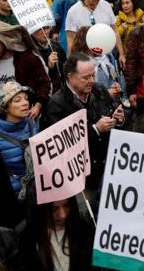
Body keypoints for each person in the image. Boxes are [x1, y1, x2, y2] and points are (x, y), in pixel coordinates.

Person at [43, 53, 125, 190]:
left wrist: (120, 118)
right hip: (82, 178)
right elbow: (61, 145)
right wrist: (95, 130)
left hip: (109, 168)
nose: (92, 80)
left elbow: (115, 110)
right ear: (70, 76)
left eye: (93, 75)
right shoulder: (57, 104)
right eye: (86, 77)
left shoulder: (99, 90)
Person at [20, 196, 101, 271]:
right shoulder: (30, 239)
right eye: (54, 209)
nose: (62, 215)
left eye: (66, 205)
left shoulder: (85, 233)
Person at [0, 34, 50, 120]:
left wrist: (38, 105)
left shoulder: (27, 59)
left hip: (29, 117)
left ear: (5, 43)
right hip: (4, 120)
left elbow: (44, 83)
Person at [0, 81, 34, 198]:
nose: (25, 103)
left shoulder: (33, 123)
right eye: (17, 100)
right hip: (15, 198)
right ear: (5, 108)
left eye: (26, 98)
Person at [64, 0, 126, 67]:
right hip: (86, 61)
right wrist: (71, 65)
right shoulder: (73, 12)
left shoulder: (106, 5)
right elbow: (71, 41)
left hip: (107, 59)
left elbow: (114, 31)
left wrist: (121, 54)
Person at [28, 23, 67, 94]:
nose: (47, 31)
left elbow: (65, 68)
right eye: (42, 28)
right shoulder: (29, 52)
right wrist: (49, 66)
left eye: (47, 27)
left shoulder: (55, 46)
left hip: (60, 92)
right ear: (32, 31)